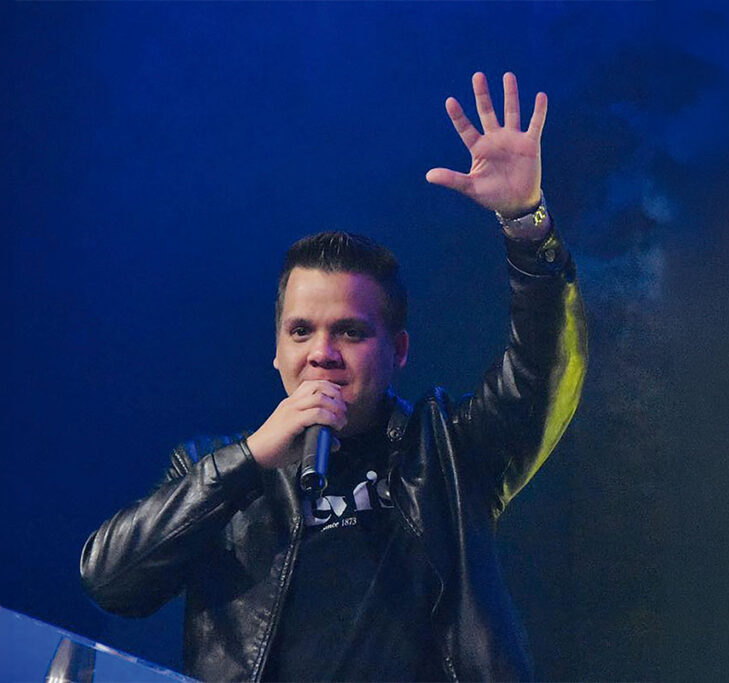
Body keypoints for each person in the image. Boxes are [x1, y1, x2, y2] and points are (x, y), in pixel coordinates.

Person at [80, 71, 588, 682]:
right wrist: (248, 462)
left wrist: (527, 224)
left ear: (398, 350)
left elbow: (543, 370)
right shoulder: (210, 468)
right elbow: (110, 582)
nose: (321, 353)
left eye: (349, 331)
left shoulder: (450, 455)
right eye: (301, 331)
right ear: (276, 352)